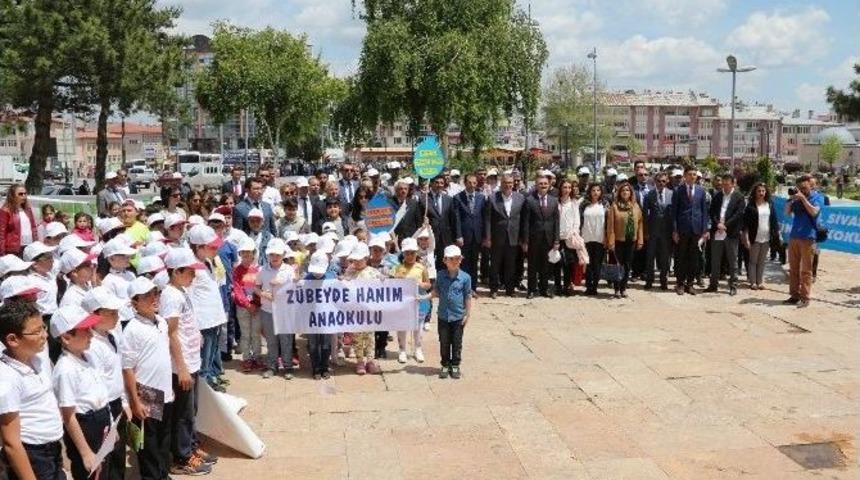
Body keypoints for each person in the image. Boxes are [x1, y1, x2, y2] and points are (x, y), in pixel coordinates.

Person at [160, 247, 212, 475]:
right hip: (182, 365)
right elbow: (171, 332)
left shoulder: (181, 291)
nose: (194, 275)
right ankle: (181, 457)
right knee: (182, 413)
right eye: (190, 271)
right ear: (176, 272)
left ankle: (190, 446)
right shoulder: (170, 296)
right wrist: (180, 367)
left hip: (192, 360)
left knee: (192, 409)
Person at [0, 300, 65, 480]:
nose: (44, 335)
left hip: (52, 448)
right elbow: (11, 443)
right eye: (36, 332)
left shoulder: (37, 358)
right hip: (33, 455)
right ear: (13, 339)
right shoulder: (7, 379)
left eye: (43, 327)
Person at [50, 305, 111, 480]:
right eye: (85, 330)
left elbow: (101, 393)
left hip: (101, 422)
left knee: (103, 472)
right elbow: (68, 416)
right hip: (86, 428)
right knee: (90, 473)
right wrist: (85, 453)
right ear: (66, 337)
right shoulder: (65, 369)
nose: (91, 334)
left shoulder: (88, 356)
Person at [122, 277, 173, 480]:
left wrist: (170, 388)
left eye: (155, 293)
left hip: (165, 392)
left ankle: (163, 474)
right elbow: (127, 369)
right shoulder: (132, 330)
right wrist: (135, 400)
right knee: (149, 445)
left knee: (163, 440)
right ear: (135, 303)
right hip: (147, 394)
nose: (154, 298)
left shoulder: (161, 322)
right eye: (147, 296)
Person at [80, 286, 126, 480]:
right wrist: (109, 417)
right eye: (111, 313)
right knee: (104, 461)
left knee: (118, 456)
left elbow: (117, 372)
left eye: (117, 312)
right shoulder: (92, 347)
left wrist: (124, 401)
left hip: (117, 404)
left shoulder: (112, 336)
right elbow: (98, 385)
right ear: (94, 315)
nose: (117, 317)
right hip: (103, 410)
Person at [256, 239, 296, 379]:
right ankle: (272, 366)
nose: (275, 257)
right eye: (272, 254)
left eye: (278, 254)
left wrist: (283, 282)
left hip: (285, 311)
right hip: (267, 310)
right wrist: (262, 293)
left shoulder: (289, 270)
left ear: (283, 254)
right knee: (271, 340)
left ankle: (288, 366)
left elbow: (295, 287)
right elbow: (256, 286)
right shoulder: (262, 270)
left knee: (286, 340)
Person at [783, 174, 824, 308]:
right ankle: (794, 295)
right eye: (800, 188)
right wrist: (791, 199)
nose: (802, 190)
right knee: (793, 269)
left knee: (806, 270)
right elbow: (786, 213)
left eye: (804, 188)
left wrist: (803, 199)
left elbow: (814, 212)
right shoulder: (796, 199)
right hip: (794, 236)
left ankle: (805, 297)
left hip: (808, 237)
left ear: (810, 186)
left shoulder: (817, 197)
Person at [483, 174, 526, 298]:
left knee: (511, 265)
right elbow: (488, 220)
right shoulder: (492, 198)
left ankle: (510, 289)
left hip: (513, 237)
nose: (508, 185)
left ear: (513, 184)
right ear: (501, 184)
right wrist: (488, 237)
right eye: (505, 183)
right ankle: (494, 289)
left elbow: (523, 220)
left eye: (510, 183)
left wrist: (523, 238)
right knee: (495, 265)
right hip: (497, 237)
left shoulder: (520, 198)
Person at [433, 245, 471, 380]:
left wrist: (467, 313)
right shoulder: (440, 275)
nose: (455, 261)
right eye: (451, 259)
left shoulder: (465, 278)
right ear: (445, 260)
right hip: (443, 316)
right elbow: (436, 292)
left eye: (457, 258)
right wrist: (422, 297)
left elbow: (467, 296)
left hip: (457, 316)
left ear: (461, 259)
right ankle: (444, 364)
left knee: (456, 342)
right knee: (444, 342)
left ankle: (455, 365)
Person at [391, 238, 430, 364]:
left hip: (418, 302)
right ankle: (402, 350)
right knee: (402, 327)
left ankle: (418, 349)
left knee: (418, 327)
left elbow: (428, 284)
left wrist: (421, 284)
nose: (410, 255)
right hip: (403, 303)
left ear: (416, 253)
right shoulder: (398, 268)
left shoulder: (421, 267)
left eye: (412, 252)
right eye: (407, 253)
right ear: (403, 253)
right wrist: (397, 279)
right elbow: (390, 284)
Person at [704, 174, 745, 296]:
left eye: (727, 184)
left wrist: (725, 225)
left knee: (733, 261)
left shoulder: (739, 197)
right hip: (717, 232)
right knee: (715, 260)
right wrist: (718, 224)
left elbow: (738, 214)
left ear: (733, 184)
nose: (725, 187)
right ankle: (713, 284)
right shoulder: (718, 196)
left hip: (730, 233)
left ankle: (733, 285)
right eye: (723, 184)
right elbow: (712, 212)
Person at [672, 166, 709, 296]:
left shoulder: (701, 191)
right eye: (690, 174)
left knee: (694, 258)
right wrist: (675, 230)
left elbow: (704, 211)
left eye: (694, 174)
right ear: (685, 176)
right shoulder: (678, 191)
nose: (692, 177)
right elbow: (674, 212)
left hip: (696, 229)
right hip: (682, 229)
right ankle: (680, 283)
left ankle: (690, 284)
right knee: (681, 257)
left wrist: (705, 230)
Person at [523, 175, 560, 298]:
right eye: (541, 184)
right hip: (533, 239)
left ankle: (544, 289)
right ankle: (532, 290)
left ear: (549, 185)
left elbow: (556, 222)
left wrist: (556, 240)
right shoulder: (529, 200)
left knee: (546, 265)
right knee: (532, 265)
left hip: (548, 239)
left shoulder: (554, 200)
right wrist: (525, 241)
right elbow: (526, 222)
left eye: (545, 184)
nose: (543, 186)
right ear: (536, 185)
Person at [605, 183, 644, 298]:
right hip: (618, 241)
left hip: (631, 240)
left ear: (631, 193)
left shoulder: (635, 206)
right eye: (623, 190)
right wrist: (610, 241)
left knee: (627, 265)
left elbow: (640, 224)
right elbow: (610, 226)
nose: (625, 192)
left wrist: (640, 240)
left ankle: (623, 288)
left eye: (628, 190)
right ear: (619, 193)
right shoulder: (615, 206)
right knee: (618, 265)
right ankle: (617, 288)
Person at [742, 182, 780, 290]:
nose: (761, 193)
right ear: (755, 192)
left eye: (763, 191)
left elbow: (774, 221)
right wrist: (746, 238)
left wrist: (777, 233)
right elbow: (745, 224)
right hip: (754, 238)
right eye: (759, 191)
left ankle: (760, 282)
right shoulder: (750, 206)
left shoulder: (770, 204)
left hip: (766, 238)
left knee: (762, 261)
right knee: (753, 261)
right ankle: (753, 282)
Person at [232, 237, 262, 372]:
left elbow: (260, 288)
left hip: (256, 308)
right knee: (245, 334)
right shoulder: (237, 271)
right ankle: (246, 358)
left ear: (253, 253)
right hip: (243, 308)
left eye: (249, 252)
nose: (246, 255)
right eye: (243, 252)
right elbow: (237, 290)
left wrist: (255, 304)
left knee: (256, 333)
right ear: (240, 254)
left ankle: (256, 357)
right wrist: (246, 304)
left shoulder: (258, 270)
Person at [303, 251, 334, 380]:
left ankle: (325, 367)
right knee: (313, 344)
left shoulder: (332, 277)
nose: (317, 274)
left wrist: (345, 281)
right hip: (311, 318)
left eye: (320, 271)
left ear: (326, 267)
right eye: (315, 271)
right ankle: (315, 368)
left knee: (326, 344)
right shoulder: (306, 279)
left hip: (327, 318)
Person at [452, 174, 485, 293]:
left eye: (474, 183)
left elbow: (483, 217)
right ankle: (464, 287)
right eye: (469, 183)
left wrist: (484, 236)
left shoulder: (481, 198)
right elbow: (456, 219)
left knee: (474, 263)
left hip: (477, 235)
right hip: (464, 237)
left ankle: (473, 288)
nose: (472, 185)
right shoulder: (457, 198)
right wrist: (458, 235)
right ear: (465, 183)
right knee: (463, 262)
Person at [421, 175, 461, 270]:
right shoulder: (424, 199)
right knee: (429, 261)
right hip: (430, 237)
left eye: (442, 183)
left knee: (443, 261)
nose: (439, 185)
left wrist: (458, 236)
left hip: (445, 237)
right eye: (437, 182)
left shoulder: (449, 199)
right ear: (431, 184)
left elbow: (454, 219)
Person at [642, 172, 674, 290]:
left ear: (667, 182)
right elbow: (645, 215)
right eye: (659, 181)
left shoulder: (672, 194)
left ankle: (663, 280)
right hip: (652, 232)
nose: (661, 183)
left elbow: (674, 214)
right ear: (655, 182)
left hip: (666, 232)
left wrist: (674, 231)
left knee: (665, 258)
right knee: (650, 257)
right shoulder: (649, 195)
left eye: (663, 181)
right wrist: (645, 232)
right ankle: (649, 280)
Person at [580, 184, 607, 296]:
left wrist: (607, 237)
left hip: (600, 238)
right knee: (588, 263)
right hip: (586, 238)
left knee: (597, 264)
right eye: (593, 190)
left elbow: (608, 223)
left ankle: (594, 286)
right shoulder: (584, 205)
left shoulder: (605, 205)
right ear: (589, 192)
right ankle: (588, 285)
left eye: (598, 190)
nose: (595, 192)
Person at [0, 183, 37, 256]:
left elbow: (33, 227)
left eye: (25, 193)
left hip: (29, 247)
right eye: (20, 194)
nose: (24, 196)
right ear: (13, 196)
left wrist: (36, 243)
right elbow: (1, 233)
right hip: (13, 249)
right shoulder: (5, 211)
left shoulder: (27, 209)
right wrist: (2, 252)